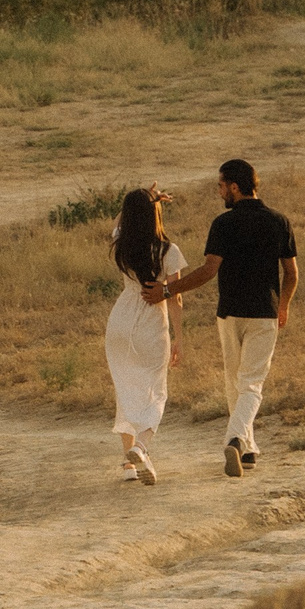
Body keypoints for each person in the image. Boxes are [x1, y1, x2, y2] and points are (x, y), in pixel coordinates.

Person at [146, 159, 296, 478]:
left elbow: (207, 271)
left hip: (229, 312)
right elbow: (291, 273)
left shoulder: (223, 223)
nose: (219, 192)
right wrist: (283, 305)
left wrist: (166, 290)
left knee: (235, 380)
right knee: (251, 382)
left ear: (234, 187)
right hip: (265, 313)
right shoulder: (279, 221)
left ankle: (235, 439)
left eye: (220, 186)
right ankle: (246, 445)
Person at [104, 185, 186, 486]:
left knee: (126, 391)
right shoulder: (168, 251)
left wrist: (139, 202)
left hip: (120, 321)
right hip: (151, 323)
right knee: (155, 392)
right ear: (156, 214)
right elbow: (175, 297)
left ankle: (130, 464)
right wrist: (180, 338)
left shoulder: (122, 245)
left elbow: (118, 223)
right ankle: (141, 447)